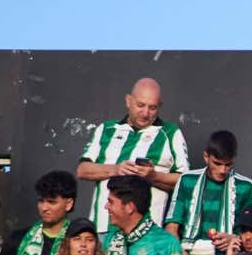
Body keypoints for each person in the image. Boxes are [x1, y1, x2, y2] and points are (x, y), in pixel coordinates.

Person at [77, 77, 188, 232]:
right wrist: (115, 169)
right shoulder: (106, 129)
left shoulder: (170, 133)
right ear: (128, 101)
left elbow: (186, 182)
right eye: (140, 105)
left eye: (152, 108)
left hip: (146, 236)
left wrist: (153, 177)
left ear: (160, 106)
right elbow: (82, 170)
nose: (145, 113)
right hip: (102, 231)